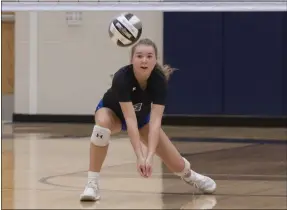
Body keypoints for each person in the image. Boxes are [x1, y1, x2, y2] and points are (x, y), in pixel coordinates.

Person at [80, 38, 216, 201]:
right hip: (113, 114)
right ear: (131, 60)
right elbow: (129, 120)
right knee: (101, 126)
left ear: (155, 60)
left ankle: (191, 176)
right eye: (139, 56)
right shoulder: (122, 78)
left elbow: (156, 121)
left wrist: (149, 156)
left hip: (143, 120)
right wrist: (139, 157)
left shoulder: (159, 80)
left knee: (177, 165)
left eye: (149, 56)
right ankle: (92, 184)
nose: (144, 60)